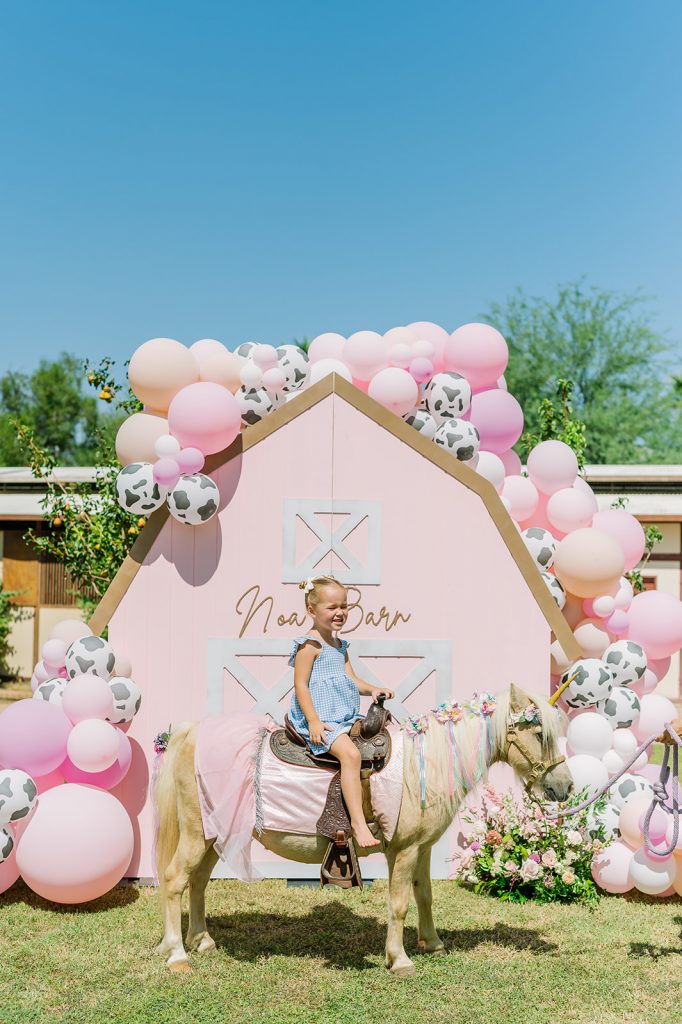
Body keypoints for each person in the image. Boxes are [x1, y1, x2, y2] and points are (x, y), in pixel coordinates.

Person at [288, 574, 394, 849]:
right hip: (320, 719)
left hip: (342, 716)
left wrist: (373, 689)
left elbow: (351, 679)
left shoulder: (339, 646)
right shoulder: (309, 645)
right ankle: (358, 823)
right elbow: (300, 685)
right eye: (332, 607)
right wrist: (313, 721)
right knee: (351, 755)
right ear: (311, 610)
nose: (340, 612)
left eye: (344, 606)